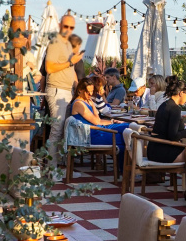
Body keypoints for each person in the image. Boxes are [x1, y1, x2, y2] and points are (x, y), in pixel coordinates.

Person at [43, 14, 85, 159]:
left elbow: (71, 71)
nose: (68, 29)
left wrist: (78, 89)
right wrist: (71, 62)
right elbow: (49, 68)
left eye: (71, 27)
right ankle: (52, 167)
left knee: (65, 131)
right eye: (66, 26)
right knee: (57, 131)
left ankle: (60, 165)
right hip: (57, 89)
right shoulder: (55, 42)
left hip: (67, 91)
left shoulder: (67, 44)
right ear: (60, 25)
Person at [70, 78, 130, 171]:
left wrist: (112, 121)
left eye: (92, 91)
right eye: (88, 92)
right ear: (80, 90)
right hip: (91, 135)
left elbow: (98, 120)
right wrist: (93, 106)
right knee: (124, 137)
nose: (90, 94)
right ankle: (125, 170)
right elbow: (97, 121)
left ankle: (125, 169)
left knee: (127, 126)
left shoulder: (86, 101)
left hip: (97, 129)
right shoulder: (79, 104)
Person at [147, 77, 186, 163]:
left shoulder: (164, 104)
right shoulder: (175, 109)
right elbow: (173, 136)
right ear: (181, 93)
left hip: (153, 149)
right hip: (162, 151)